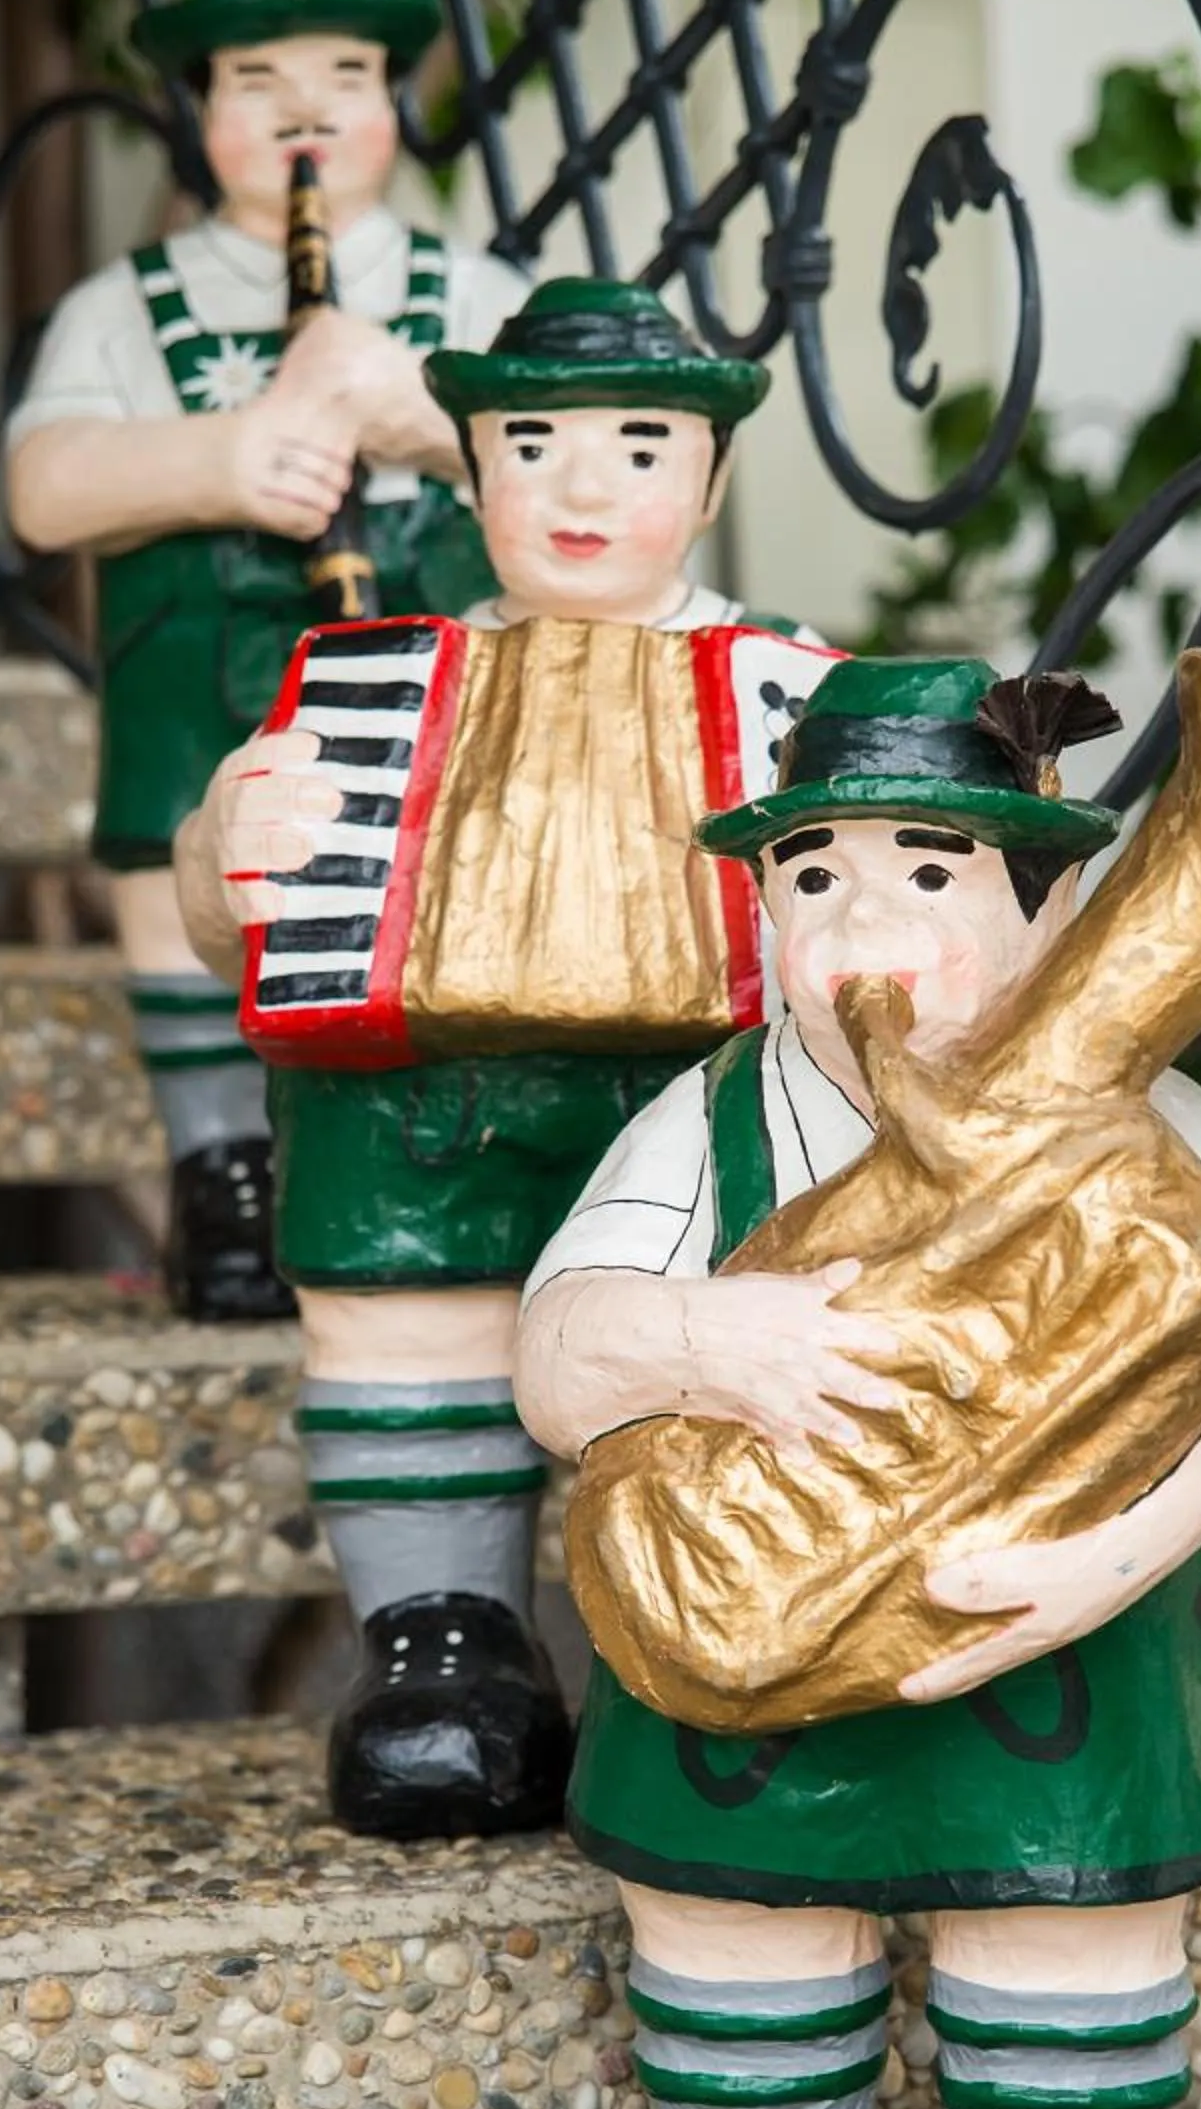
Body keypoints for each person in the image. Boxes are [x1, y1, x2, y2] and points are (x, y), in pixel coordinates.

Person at [513, 655, 1201, 2109]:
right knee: (737, 1921)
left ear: (1049, 912)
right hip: (747, 1646)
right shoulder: (708, 1120)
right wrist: (703, 1342)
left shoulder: (1157, 1118)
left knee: (1065, 1923)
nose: (863, 930)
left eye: (930, 876)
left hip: (1055, 1636)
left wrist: (1110, 1558)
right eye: (816, 881)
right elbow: (556, 1352)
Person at [174, 277, 825, 1843]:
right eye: (531, 445)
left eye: (641, 447)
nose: (583, 484)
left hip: (698, 1104)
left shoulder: (795, 689)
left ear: (712, 479)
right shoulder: (377, 682)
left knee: (698, 1339)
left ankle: (691, 1636)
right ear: (471, 474)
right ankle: (442, 1640)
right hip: (435, 1101)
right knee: (405, 1324)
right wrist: (226, 854)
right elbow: (227, 907)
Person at [5, 0, 528, 1320]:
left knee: (427, 882)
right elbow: (43, 488)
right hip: (201, 656)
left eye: (346, 77)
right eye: (257, 81)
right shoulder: (128, 306)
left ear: (396, 104)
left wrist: (414, 410)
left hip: (415, 650)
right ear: (200, 112)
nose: (305, 111)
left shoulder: (471, 293)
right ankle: (220, 1163)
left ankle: (427, 1154)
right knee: (170, 877)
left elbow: (576, 467)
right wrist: (219, 460)